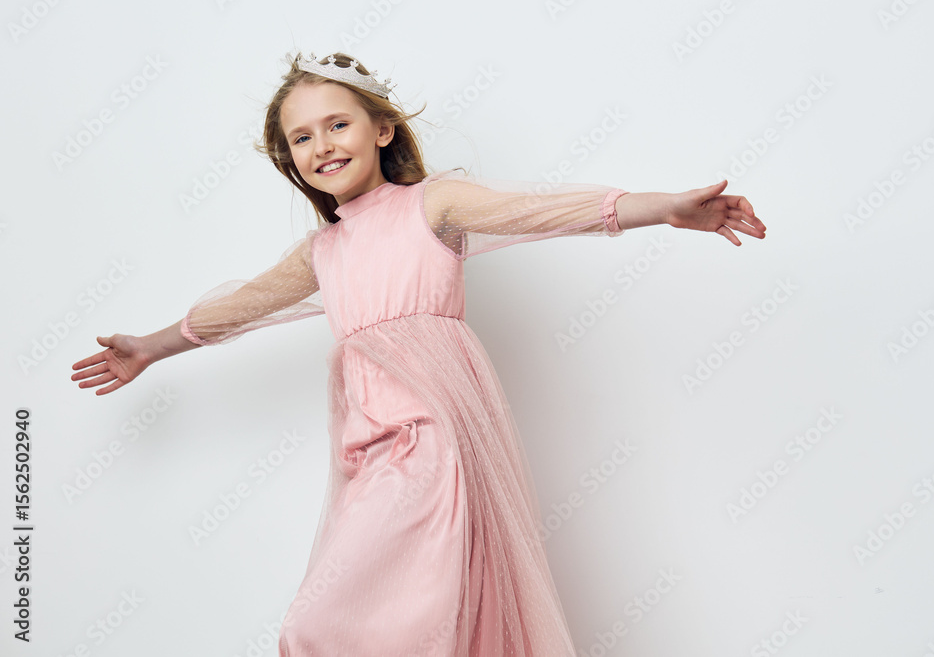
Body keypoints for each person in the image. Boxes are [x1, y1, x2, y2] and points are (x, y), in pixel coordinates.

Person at [71, 51, 766, 656]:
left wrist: (663, 206)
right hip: (370, 453)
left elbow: (543, 210)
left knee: (351, 622)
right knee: (366, 620)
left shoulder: (432, 205)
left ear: (382, 129)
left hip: (433, 441)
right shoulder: (323, 250)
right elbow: (243, 305)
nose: (322, 146)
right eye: (301, 138)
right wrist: (149, 347)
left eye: (337, 125)